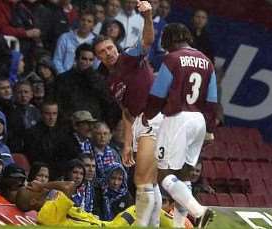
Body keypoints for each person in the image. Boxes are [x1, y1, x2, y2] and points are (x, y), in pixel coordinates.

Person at [142, 23, 218, 228]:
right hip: (199, 120)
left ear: (170, 38)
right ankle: (179, 226)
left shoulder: (172, 59)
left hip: (178, 119)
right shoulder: (207, 62)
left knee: (164, 175)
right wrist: (210, 129)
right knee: (185, 175)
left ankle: (199, 211)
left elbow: (158, 93)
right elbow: (212, 100)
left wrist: (147, 115)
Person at [93, 1, 161, 227]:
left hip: (155, 118)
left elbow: (148, 40)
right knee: (150, 180)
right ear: (99, 58)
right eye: (102, 52)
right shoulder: (110, 81)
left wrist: (148, 16)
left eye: (110, 48)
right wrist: (126, 144)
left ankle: (144, 225)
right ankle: (153, 225)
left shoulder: (129, 57)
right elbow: (127, 113)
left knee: (143, 178)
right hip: (141, 123)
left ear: (116, 47)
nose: (108, 53)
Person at [15, 181, 173, 227]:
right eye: (31, 190)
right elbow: (69, 186)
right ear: (33, 201)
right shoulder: (46, 214)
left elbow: (69, 185)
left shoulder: (50, 204)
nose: (34, 187)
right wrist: (42, 186)